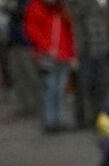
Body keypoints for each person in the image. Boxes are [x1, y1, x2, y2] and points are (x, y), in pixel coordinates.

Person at [25, 0, 77, 130]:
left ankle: (59, 119)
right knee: (50, 87)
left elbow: (70, 28)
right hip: (47, 55)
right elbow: (31, 29)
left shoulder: (62, 8)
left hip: (63, 53)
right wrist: (45, 46)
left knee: (60, 89)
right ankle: (50, 120)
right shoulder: (36, 6)